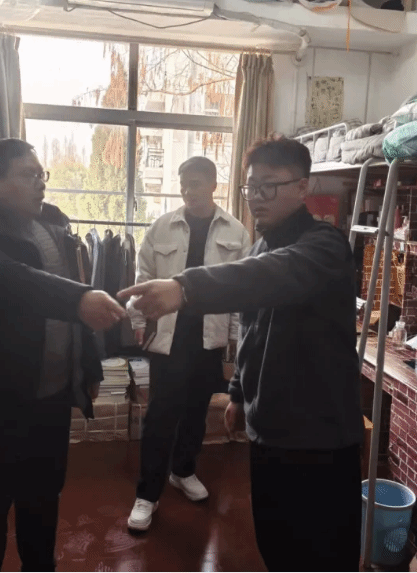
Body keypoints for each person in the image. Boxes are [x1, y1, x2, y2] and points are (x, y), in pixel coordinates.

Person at [118, 137, 363, 571]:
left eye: (270, 186)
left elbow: (268, 276)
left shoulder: (325, 246)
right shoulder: (259, 248)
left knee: (323, 553)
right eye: (251, 187)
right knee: (276, 544)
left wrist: (183, 287)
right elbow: (251, 329)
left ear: (302, 187)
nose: (257, 198)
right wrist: (237, 393)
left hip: (319, 436)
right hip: (268, 430)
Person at [0, 139, 126, 571]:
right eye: (29, 175)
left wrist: (89, 366)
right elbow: (11, 280)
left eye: (41, 174)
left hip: (50, 401)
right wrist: (78, 299)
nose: (41, 183)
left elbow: (75, 303)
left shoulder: (55, 223)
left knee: (42, 504)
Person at [126, 156, 251, 532]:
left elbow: (239, 293)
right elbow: (143, 276)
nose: (188, 191)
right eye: (183, 184)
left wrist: (232, 343)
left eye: (195, 183)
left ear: (213, 184)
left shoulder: (235, 231)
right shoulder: (162, 226)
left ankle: (182, 471)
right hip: (169, 338)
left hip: (209, 338)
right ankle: (147, 493)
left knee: (197, 412)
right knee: (160, 416)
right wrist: (138, 322)